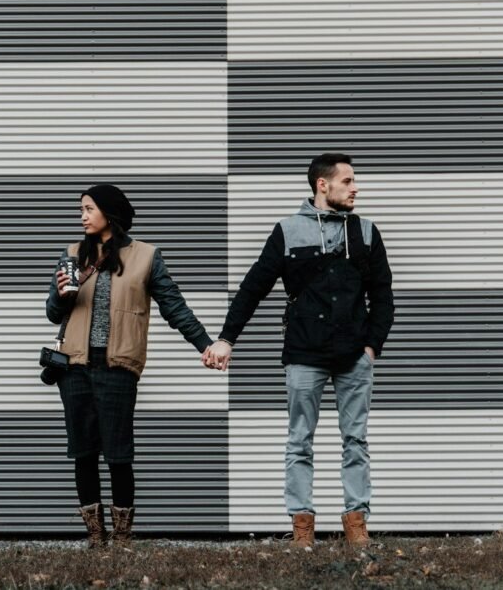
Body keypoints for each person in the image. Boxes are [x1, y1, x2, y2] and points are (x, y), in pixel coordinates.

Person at [203, 153, 394, 549]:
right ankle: (302, 526)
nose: (356, 188)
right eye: (347, 181)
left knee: (355, 440)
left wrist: (371, 347)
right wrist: (226, 338)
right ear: (322, 185)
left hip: (354, 357)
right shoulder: (288, 231)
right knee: (299, 440)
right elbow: (253, 288)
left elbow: (383, 296)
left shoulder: (366, 232)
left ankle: (357, 523)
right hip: (304, 353)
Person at [47, 184, 216, 548]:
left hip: (118, 368)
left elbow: (175, 308)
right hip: (74, 369)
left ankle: (122, 537)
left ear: (109, 213)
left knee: (119, 454)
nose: (82, 216)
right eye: (81, 209)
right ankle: (96, 536)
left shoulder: (146, 256)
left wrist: (205, 344)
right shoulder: (72, 254)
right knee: (83, 453)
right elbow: (53, 313)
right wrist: (60, 296)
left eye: (89, 209)